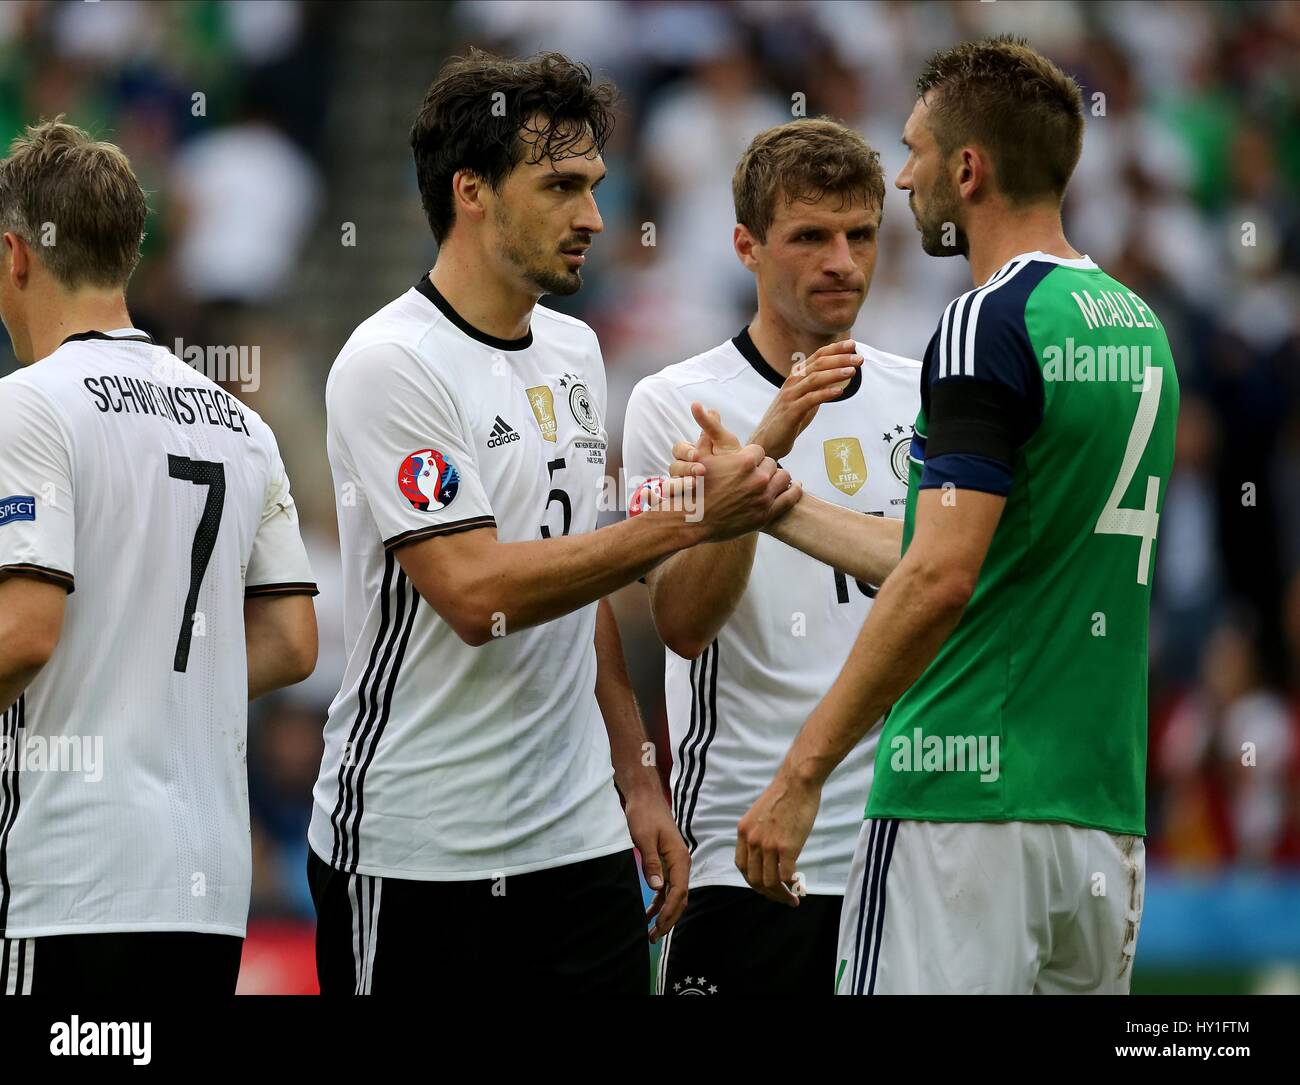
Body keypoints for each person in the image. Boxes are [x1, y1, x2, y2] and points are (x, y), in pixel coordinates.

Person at [685, 35, 1180, 994]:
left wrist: (801, 772)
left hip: (964, 802)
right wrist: (768, 501)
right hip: (1101, 812)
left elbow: (937, 576)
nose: (903, 177)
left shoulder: (984, 319)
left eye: (915, 151)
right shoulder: (1137, 321)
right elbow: (973, 549)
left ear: (968, 167)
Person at [307, 50, 795, 996]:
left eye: (596, 186)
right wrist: (692, 517)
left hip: (577, 841)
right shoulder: (392, 362)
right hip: (419, 846)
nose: (594, 217)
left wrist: (636, 776)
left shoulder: (573, 347)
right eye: (561, 185)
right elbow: (474, 589)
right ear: (472, 192)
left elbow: (580, 582)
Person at [0, 120, 319, 995]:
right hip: (206, 891)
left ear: (14, 255)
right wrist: (152, 678)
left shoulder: (27, 406)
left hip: (67, 876)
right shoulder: (239, 422)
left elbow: (23, 634)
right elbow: (295, 640)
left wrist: (111, 675)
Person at [622, 118, 918, 996]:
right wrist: (764, 450)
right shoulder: (677, 403)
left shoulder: (927, 395)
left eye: (860, 234)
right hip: (746, 849)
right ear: (747, 246)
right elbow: (680, 624)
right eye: (810, 237)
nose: (842, 261)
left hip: (903, 847)